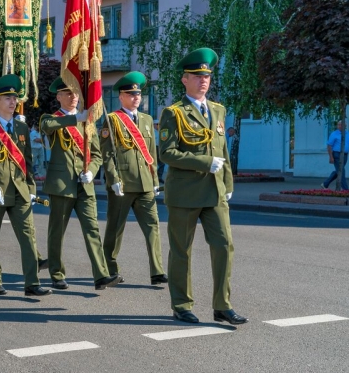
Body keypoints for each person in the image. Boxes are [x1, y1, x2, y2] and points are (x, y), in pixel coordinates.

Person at [159, 47, 246, 325]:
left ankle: (222, 304)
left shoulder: (218, 110)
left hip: (215, 192)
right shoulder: (173, 112)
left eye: (206, 76)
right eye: (197, 76)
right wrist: (204, 162)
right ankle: (182, 304)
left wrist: (228, 181)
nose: (203, 81)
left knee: (224, 245)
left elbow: (222, 149)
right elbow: (167, 153)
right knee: (182, 250)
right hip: (185, 193)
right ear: (184, 80)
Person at [40, 77, 119, 291]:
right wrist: (77, 119)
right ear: (58, 97)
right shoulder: (52, 119)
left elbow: (96, 154)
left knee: (92, 229)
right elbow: (47, 126)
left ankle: (101, 275)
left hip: (85, 184)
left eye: (75, 92)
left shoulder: (87, 122)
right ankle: (56, 273)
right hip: (61, 184)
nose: (73, 96)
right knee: (57, 231)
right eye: (67, 93)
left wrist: (92, 172)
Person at [0, 74, 50, 297]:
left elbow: (27, 162)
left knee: (28, 236)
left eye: (14, 97)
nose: (12, 101)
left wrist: (32, 190)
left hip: (20, 191)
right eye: (7, 97)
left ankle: (32, 284)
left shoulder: (21, 128)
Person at [100, 71, 167, 286]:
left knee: (152, 226)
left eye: (138, 94)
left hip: (145, 183)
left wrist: (155, 180)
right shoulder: (112, 120)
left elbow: (151, 153)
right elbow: (107, 153)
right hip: (123, 183)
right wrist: (113, 178)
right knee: (115, 229)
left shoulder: (147, 120)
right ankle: (109, 267)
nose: (136, 98)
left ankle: (157, 271)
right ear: (121, 96)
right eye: (131, 94)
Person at [322, 120, 349, 191]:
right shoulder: (334, 134)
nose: (339, 126)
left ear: (345, 126)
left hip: (345, 155)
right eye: (338, 125)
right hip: (337, 154)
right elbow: (329, 146)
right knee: (342, 171)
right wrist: (331, 157)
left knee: (338, 171)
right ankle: (346, 190)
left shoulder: (347, 134)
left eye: (341, 125)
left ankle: (325, 184)